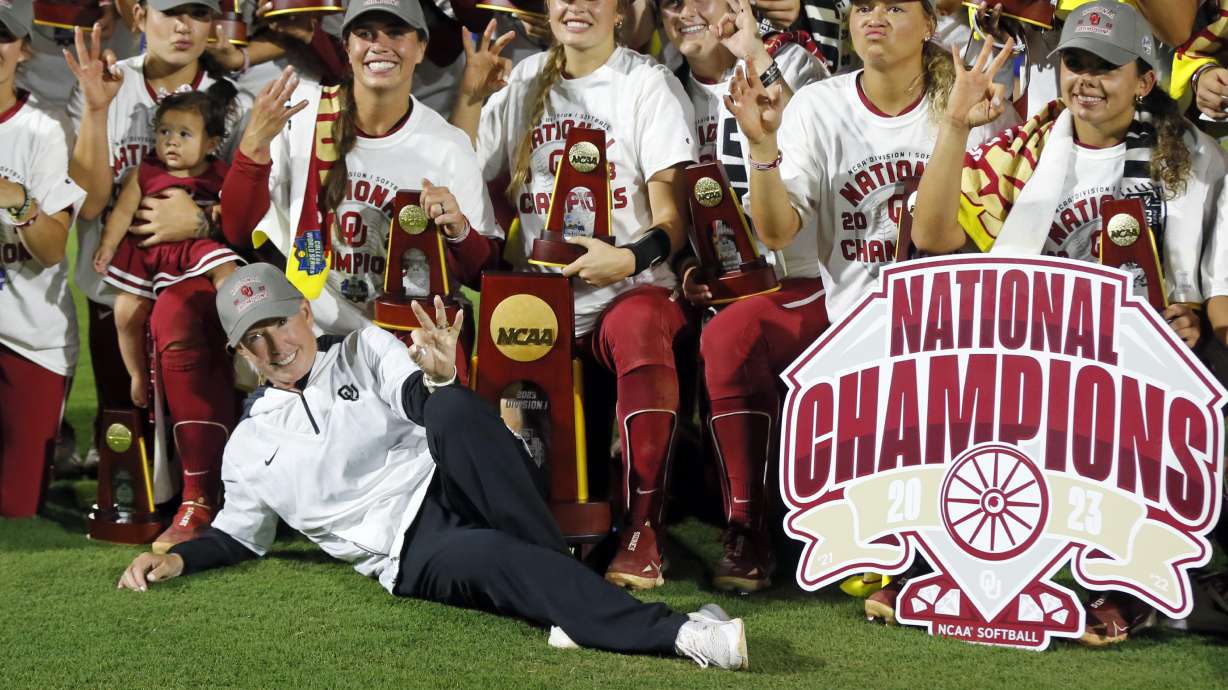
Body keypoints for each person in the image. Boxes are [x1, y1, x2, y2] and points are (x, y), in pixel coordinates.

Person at [115, 262, 750, 671]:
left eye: (278, 323)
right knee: (507, 562)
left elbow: (423, 401)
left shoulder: (363, 348)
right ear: (240, 352)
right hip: (412, 548)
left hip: (458, 477)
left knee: (452, 412)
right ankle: (684, 635)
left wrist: (443, 377)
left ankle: (568, 604)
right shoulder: (248, 445)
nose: (273, 345)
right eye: (253, 338)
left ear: (305, 313)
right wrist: (176, 556)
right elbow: (237, 536)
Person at [909, 2, 1226, 644]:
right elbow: (931, 236)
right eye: (1074, 62)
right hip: (1040, 357)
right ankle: (957, 559)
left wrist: (1189, 314)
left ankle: (1127, 585)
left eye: (1106, 67)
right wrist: (952, 126)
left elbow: (1211, 295)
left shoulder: (1194, 159)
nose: (1085, 78)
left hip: (1147, 365)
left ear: (1144, 80)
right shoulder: (1026, 145)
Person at [451, 0, 697, 590]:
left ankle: (645, 531)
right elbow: (458, 172)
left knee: (639, 320)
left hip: (628, 300)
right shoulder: (528, 79)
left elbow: (673, 219)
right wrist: (470, 93)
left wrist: (628, 259)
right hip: (543, 313)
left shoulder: (648, 84)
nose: (576, 5)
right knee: (558, 511)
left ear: (621, 11)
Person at [66, 0, 251, 551]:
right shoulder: (103, 81)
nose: (183, 26)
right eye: (171, 11)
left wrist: (200, 217)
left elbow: (245, 209)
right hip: (116, 290)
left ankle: (214, 492)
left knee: (201, 433)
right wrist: (97, 112)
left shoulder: (229, 100)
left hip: (191, 294)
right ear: (138, 14)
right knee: (132, 462)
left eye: (197, 13)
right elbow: (93, 203)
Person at [660, 0, 827, 593]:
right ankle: (713, 513)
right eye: (672, 2)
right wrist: (683, 267)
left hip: (797, 273)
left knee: (735, 332)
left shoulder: (795, 66)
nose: (687, 11)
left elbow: (817, 126)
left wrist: (755, 53)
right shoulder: (664, 87)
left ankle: (752, 526)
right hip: (710, 278)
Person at [221, 0, 502, 340]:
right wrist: (252, 150)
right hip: (315, 336)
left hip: (404, 339)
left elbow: (483, 274)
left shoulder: (448, 145)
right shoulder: (303, 117)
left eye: (396, 33)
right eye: (365, 34)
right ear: (347, 47)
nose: (379, 45)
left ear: (421, 48)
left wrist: (459, 231)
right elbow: (238, 231)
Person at [92, 87, 243, 409]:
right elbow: (121, 212)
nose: (171, 141)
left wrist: (218, 212)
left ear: (212, 144)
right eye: (165, 131)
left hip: (196, 249)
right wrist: (107, 246)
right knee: (124, 312)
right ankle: (135, 374)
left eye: (185, 134)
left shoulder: (220, 174)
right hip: (148, 253)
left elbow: (232, 210)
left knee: (227, 272)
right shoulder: (145, 172)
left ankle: (240, 339)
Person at [0, 1, 87, 518]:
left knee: (17, 507)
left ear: (24, 50)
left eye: (2, 38)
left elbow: (52, 248)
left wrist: (16, 199)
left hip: (29, 336)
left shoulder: (43, 130)